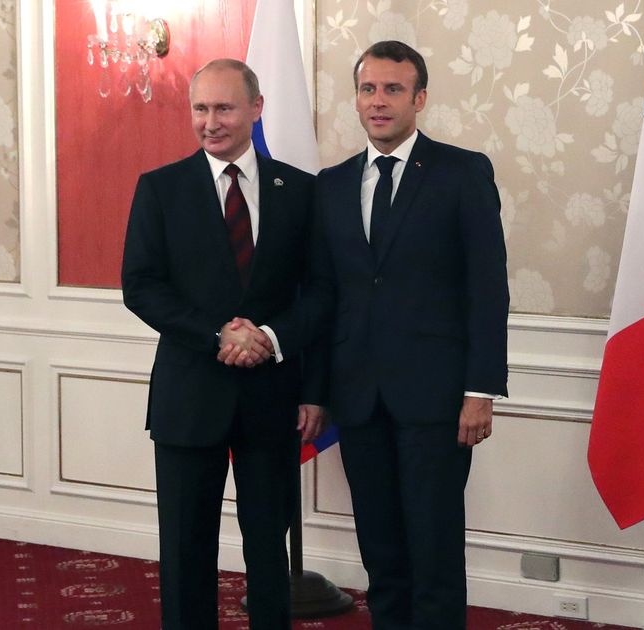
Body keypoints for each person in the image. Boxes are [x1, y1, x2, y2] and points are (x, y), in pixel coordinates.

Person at [307, 40, 509, 629]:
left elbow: (487, 289)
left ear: (419, 99)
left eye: (393, 89)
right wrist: (314, 392)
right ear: (356, 99)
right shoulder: (331, 184)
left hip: (437, 400)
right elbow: (323, 296)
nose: (378, 101)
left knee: (434, 548)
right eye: (368, 89)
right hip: (358, 397)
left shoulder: (462, 173)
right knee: (382, 551)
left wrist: (480, 389)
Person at [121, 58, 325, 630]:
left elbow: (320, 292)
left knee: (268, 550)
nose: (210, 122)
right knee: (185, 549)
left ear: (256, 109)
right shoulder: (160, 189)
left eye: (224, 108)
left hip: (272, 398)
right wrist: (218, 336)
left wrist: (271, 340)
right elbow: (140, 286)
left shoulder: (299, 190)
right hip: (189, 399)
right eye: (201, 109)